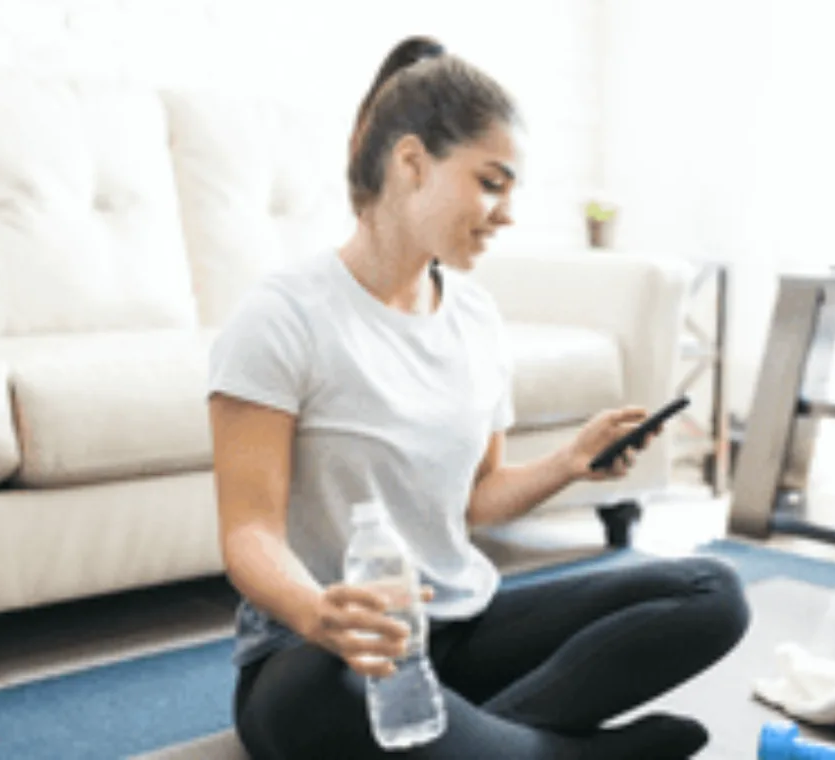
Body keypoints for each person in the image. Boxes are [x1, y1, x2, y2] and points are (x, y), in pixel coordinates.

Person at [206, 35, 750, 760]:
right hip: (325, 655)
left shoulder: (476, 318)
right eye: (492, 182)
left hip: (458, 630)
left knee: (711, 593)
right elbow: (249, 535)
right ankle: (553, 752)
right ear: (411, 163)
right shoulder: (282, 317)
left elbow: (477, 499)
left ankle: (486, 743)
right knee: (323, 699)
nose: (507, 212)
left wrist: (569, 463)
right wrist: (317, 611)